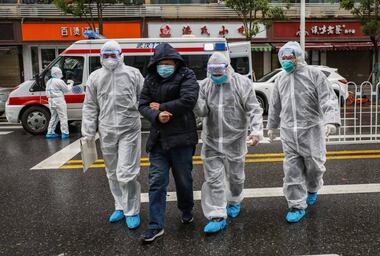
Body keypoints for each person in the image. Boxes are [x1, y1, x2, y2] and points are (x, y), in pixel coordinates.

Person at [267, 41, 340, 223]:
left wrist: (331, 120)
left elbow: (327, 98)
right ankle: (296, 205)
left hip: (311, 130)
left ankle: (313, 187)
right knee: (292, 171)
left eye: (289, 57)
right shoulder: (281, 79)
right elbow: (275, 105)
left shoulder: (313, 74)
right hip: (289, 131)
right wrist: (272, 126)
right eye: (283, 58)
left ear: (298, 57)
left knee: (315, 166)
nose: (286, 61)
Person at [194, 52, 263, 234]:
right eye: (213, 73)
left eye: (220, 72)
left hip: (236, 141)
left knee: (236, 178)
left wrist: (256, 131)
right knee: (214, 180)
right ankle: (217, 215)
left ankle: (234, 200)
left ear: (228, 67)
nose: (216, 76)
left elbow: (254, 109)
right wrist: (195, 100)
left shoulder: (242, 83)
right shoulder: (205, 85)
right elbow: (202, 112)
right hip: (212, 141)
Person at [139, 43, 199, 242]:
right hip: (158, 139)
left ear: (175, 62)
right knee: (156, 182)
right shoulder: (150, 78)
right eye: (161, 63)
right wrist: (156, 115)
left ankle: (186, 209)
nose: (165, 66)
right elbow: (142, 104)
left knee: (183, 180)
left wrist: (163, 107)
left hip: (182, 138)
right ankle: (156, 225)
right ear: (155, 64)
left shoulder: (186, 75)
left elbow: (189, 99)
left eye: (168, 63)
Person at [81, 40, 144, 230]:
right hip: (106, 129)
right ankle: (120, 205)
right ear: (100, 57)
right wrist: (88, 132)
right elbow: (90, 106)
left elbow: (145, 98)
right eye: (106, 55)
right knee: (112, 172)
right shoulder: (95, 77)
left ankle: (132, 210)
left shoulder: (133, 74)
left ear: (121, 54)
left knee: (126, 172)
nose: (110, 59)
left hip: (129, 129)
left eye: (113, 54)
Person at [45, 66, 72, 139]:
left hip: (50, 101)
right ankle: (65, 133)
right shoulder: (59, 81)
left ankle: (50, 132)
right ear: (57, 73)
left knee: (54, 116)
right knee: (63, 117)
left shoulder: (49, 81)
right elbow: (67, 90)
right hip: (58, 100)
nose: (61, 74)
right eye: (60, 73)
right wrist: (71, 84)